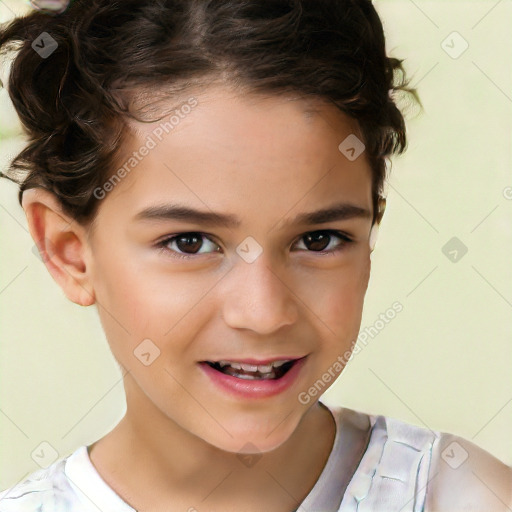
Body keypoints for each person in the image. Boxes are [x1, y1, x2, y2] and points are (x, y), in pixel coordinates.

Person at [0, 0, 510, 510]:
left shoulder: (466, 497)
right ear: (69, 253)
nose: (264, 314)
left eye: (319, 239)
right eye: (189, 242)